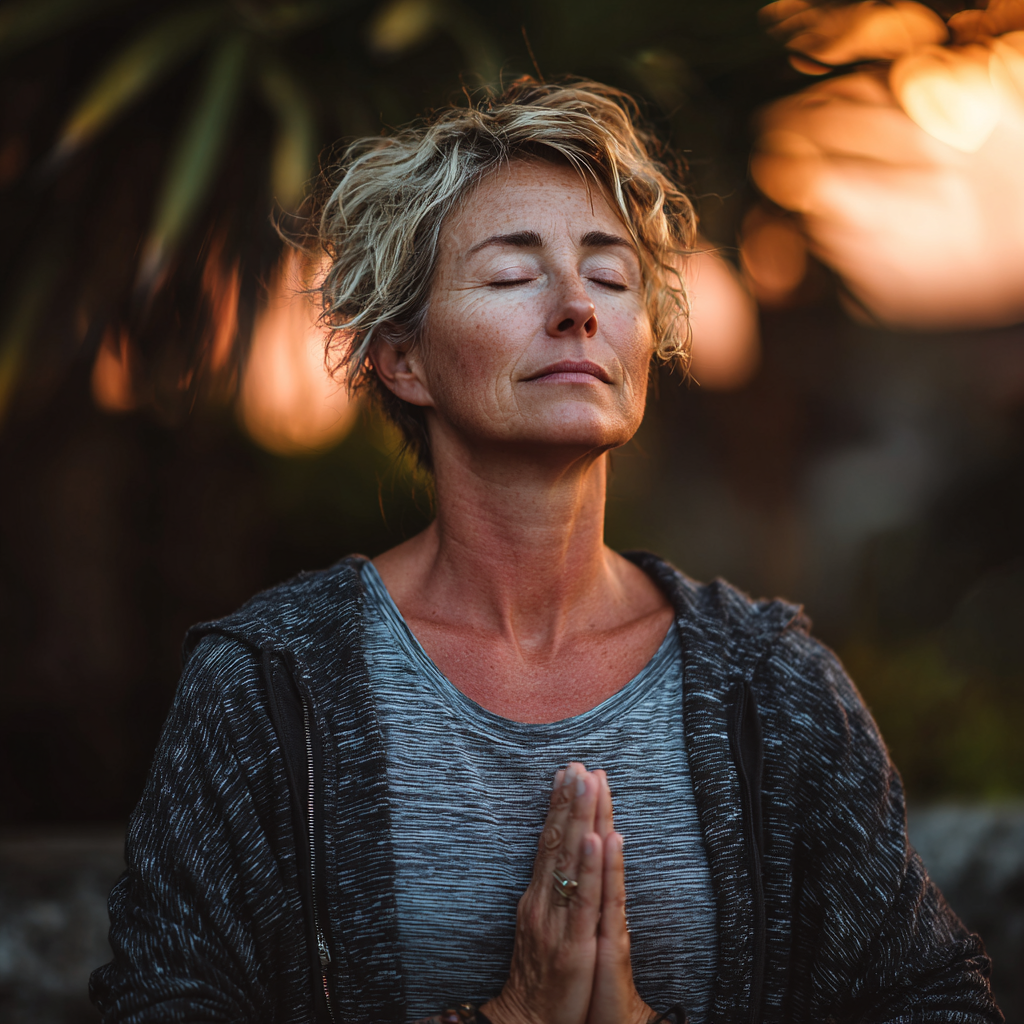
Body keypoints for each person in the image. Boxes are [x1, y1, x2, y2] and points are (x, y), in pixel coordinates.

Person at [90, 78, 1001, 1024]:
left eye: (611, 277)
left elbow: (935, 1001)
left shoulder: (771, 686)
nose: (578, 308)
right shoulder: (267, 688)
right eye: (513, 274)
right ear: (403, 357)